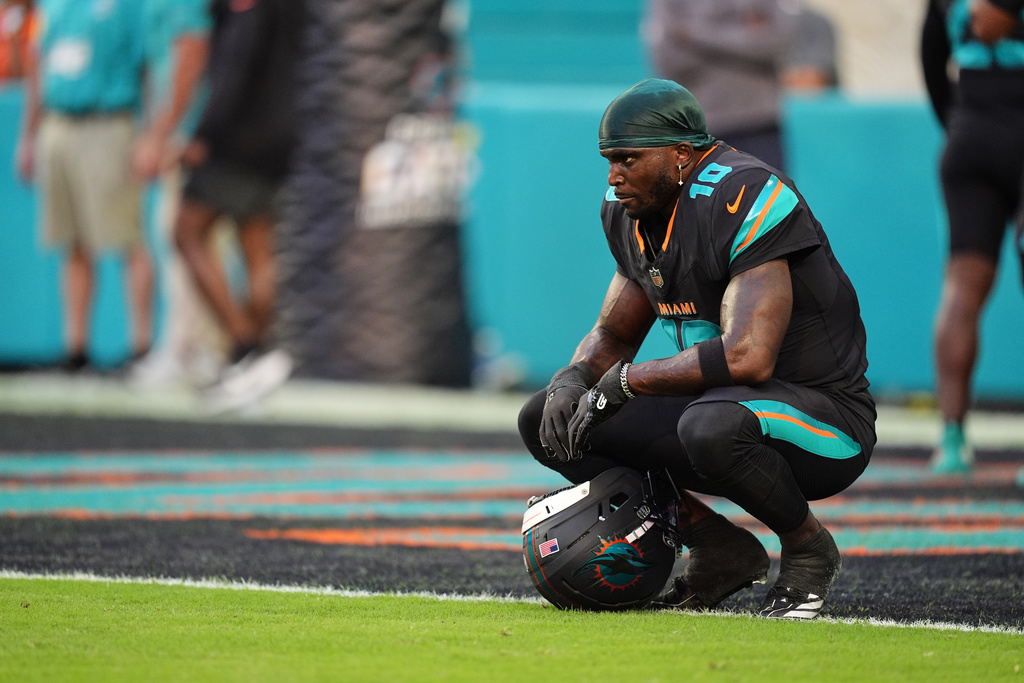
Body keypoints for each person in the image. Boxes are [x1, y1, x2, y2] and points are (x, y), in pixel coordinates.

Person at [517, 79, 876, 620]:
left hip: (826, 419)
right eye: (609, 160)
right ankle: (718, 544)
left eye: (629, 159)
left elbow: (748, 357)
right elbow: (613, 336)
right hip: (718, 405)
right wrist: (573, 379)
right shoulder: (629, 209)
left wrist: (627, 381)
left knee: (709, 426)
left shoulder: (745, 193)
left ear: (681, 154)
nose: (615, 176)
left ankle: (807, 548)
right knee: (549, 418)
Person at [172, 0, 304, 410]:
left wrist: (205, 132)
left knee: (186, 230)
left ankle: (248, 348)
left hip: (241, 134)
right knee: (258, 246)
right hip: (283, 130)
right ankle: (255, 359)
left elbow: (238, 61)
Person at [15, 0, 154, 372]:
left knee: (127, 237)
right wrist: (28, 135)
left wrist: (152, 133)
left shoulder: (128, 6)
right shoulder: (51, 5)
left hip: (108, 121)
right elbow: (37, 63)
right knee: (72, 241)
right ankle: (76, 348)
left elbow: (149, 65)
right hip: (59, 122)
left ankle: (142, 348)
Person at [921, 0, 1024, 473]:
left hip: (971, 134)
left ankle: (952, 438)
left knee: (962, 289)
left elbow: (930, 59)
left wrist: (962, 123)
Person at [128, 0, 222, 388]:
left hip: (195, 133)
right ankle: (191, 347)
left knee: (185, 236)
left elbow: (193, 52)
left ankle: (196, 350)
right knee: (175, 238)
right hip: (184, 130)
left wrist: (164, 132)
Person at [642, 0, 798, 172]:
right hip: (702, 135)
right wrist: (745, 37)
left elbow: (780, 43)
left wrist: (693, 35)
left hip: (761, 128)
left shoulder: (691, 33)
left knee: (770, 198)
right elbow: (668, 61)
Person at [0, 0, 35, 82]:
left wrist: (14, 43)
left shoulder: (33, 21)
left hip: (15, 85)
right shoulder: (3, 14)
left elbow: (18, 74)